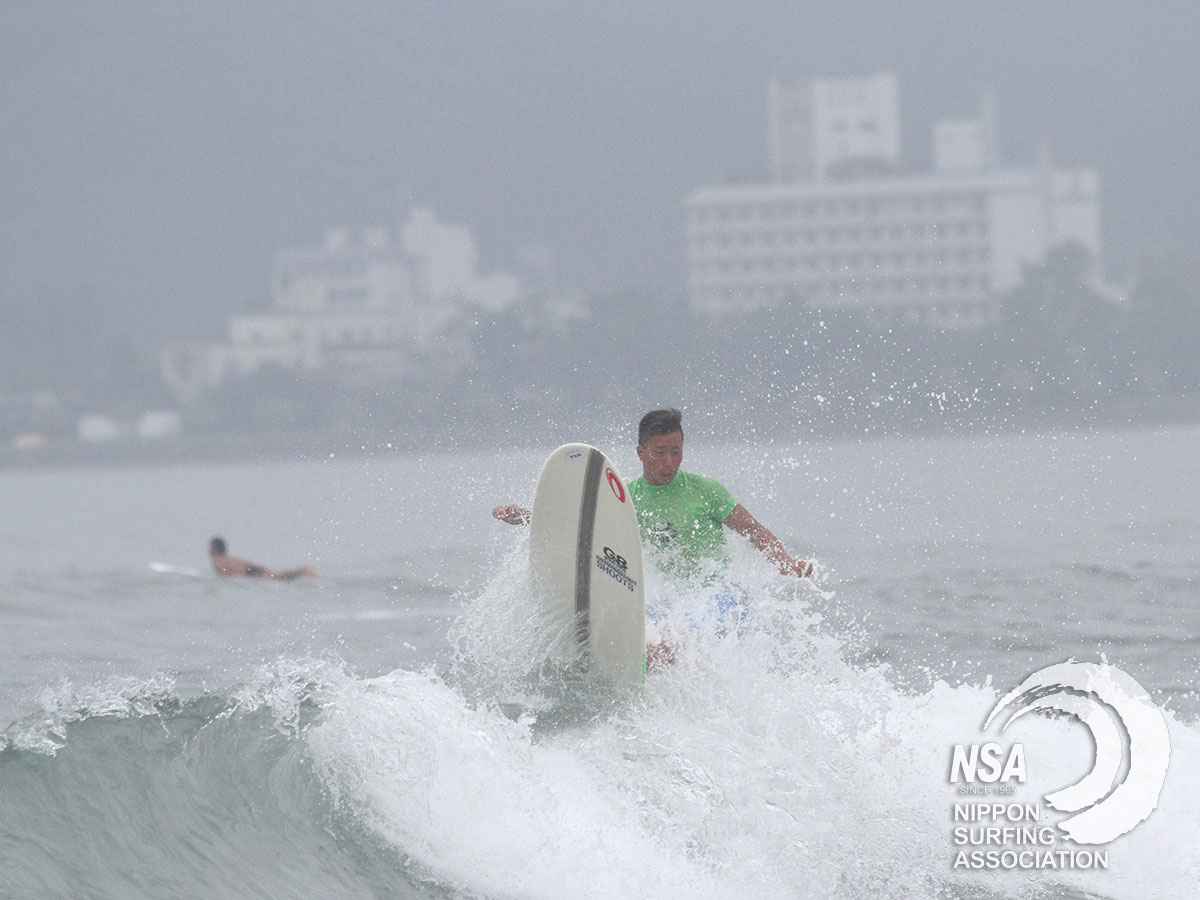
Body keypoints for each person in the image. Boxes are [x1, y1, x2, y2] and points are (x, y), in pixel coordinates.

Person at [492, 408, 814, 579]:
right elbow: (578, 524)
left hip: (718, 598)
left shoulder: (706, 491)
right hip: (666, 603)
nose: (669, 462)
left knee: (674, 641)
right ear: (640, 452)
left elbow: (755, 532)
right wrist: (525, 517)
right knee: (659, 643)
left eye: (676, 451)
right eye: (659, 452)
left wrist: (785, 562)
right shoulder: (624, 499)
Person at [208, 536, 317, 580]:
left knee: (279, 579)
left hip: (247, 573)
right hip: (253, 569)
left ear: (214, 549)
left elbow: (225, 574)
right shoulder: (230, 558)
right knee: (279, 578)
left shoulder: (217, 560)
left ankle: (303, 569)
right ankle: (302, 570)